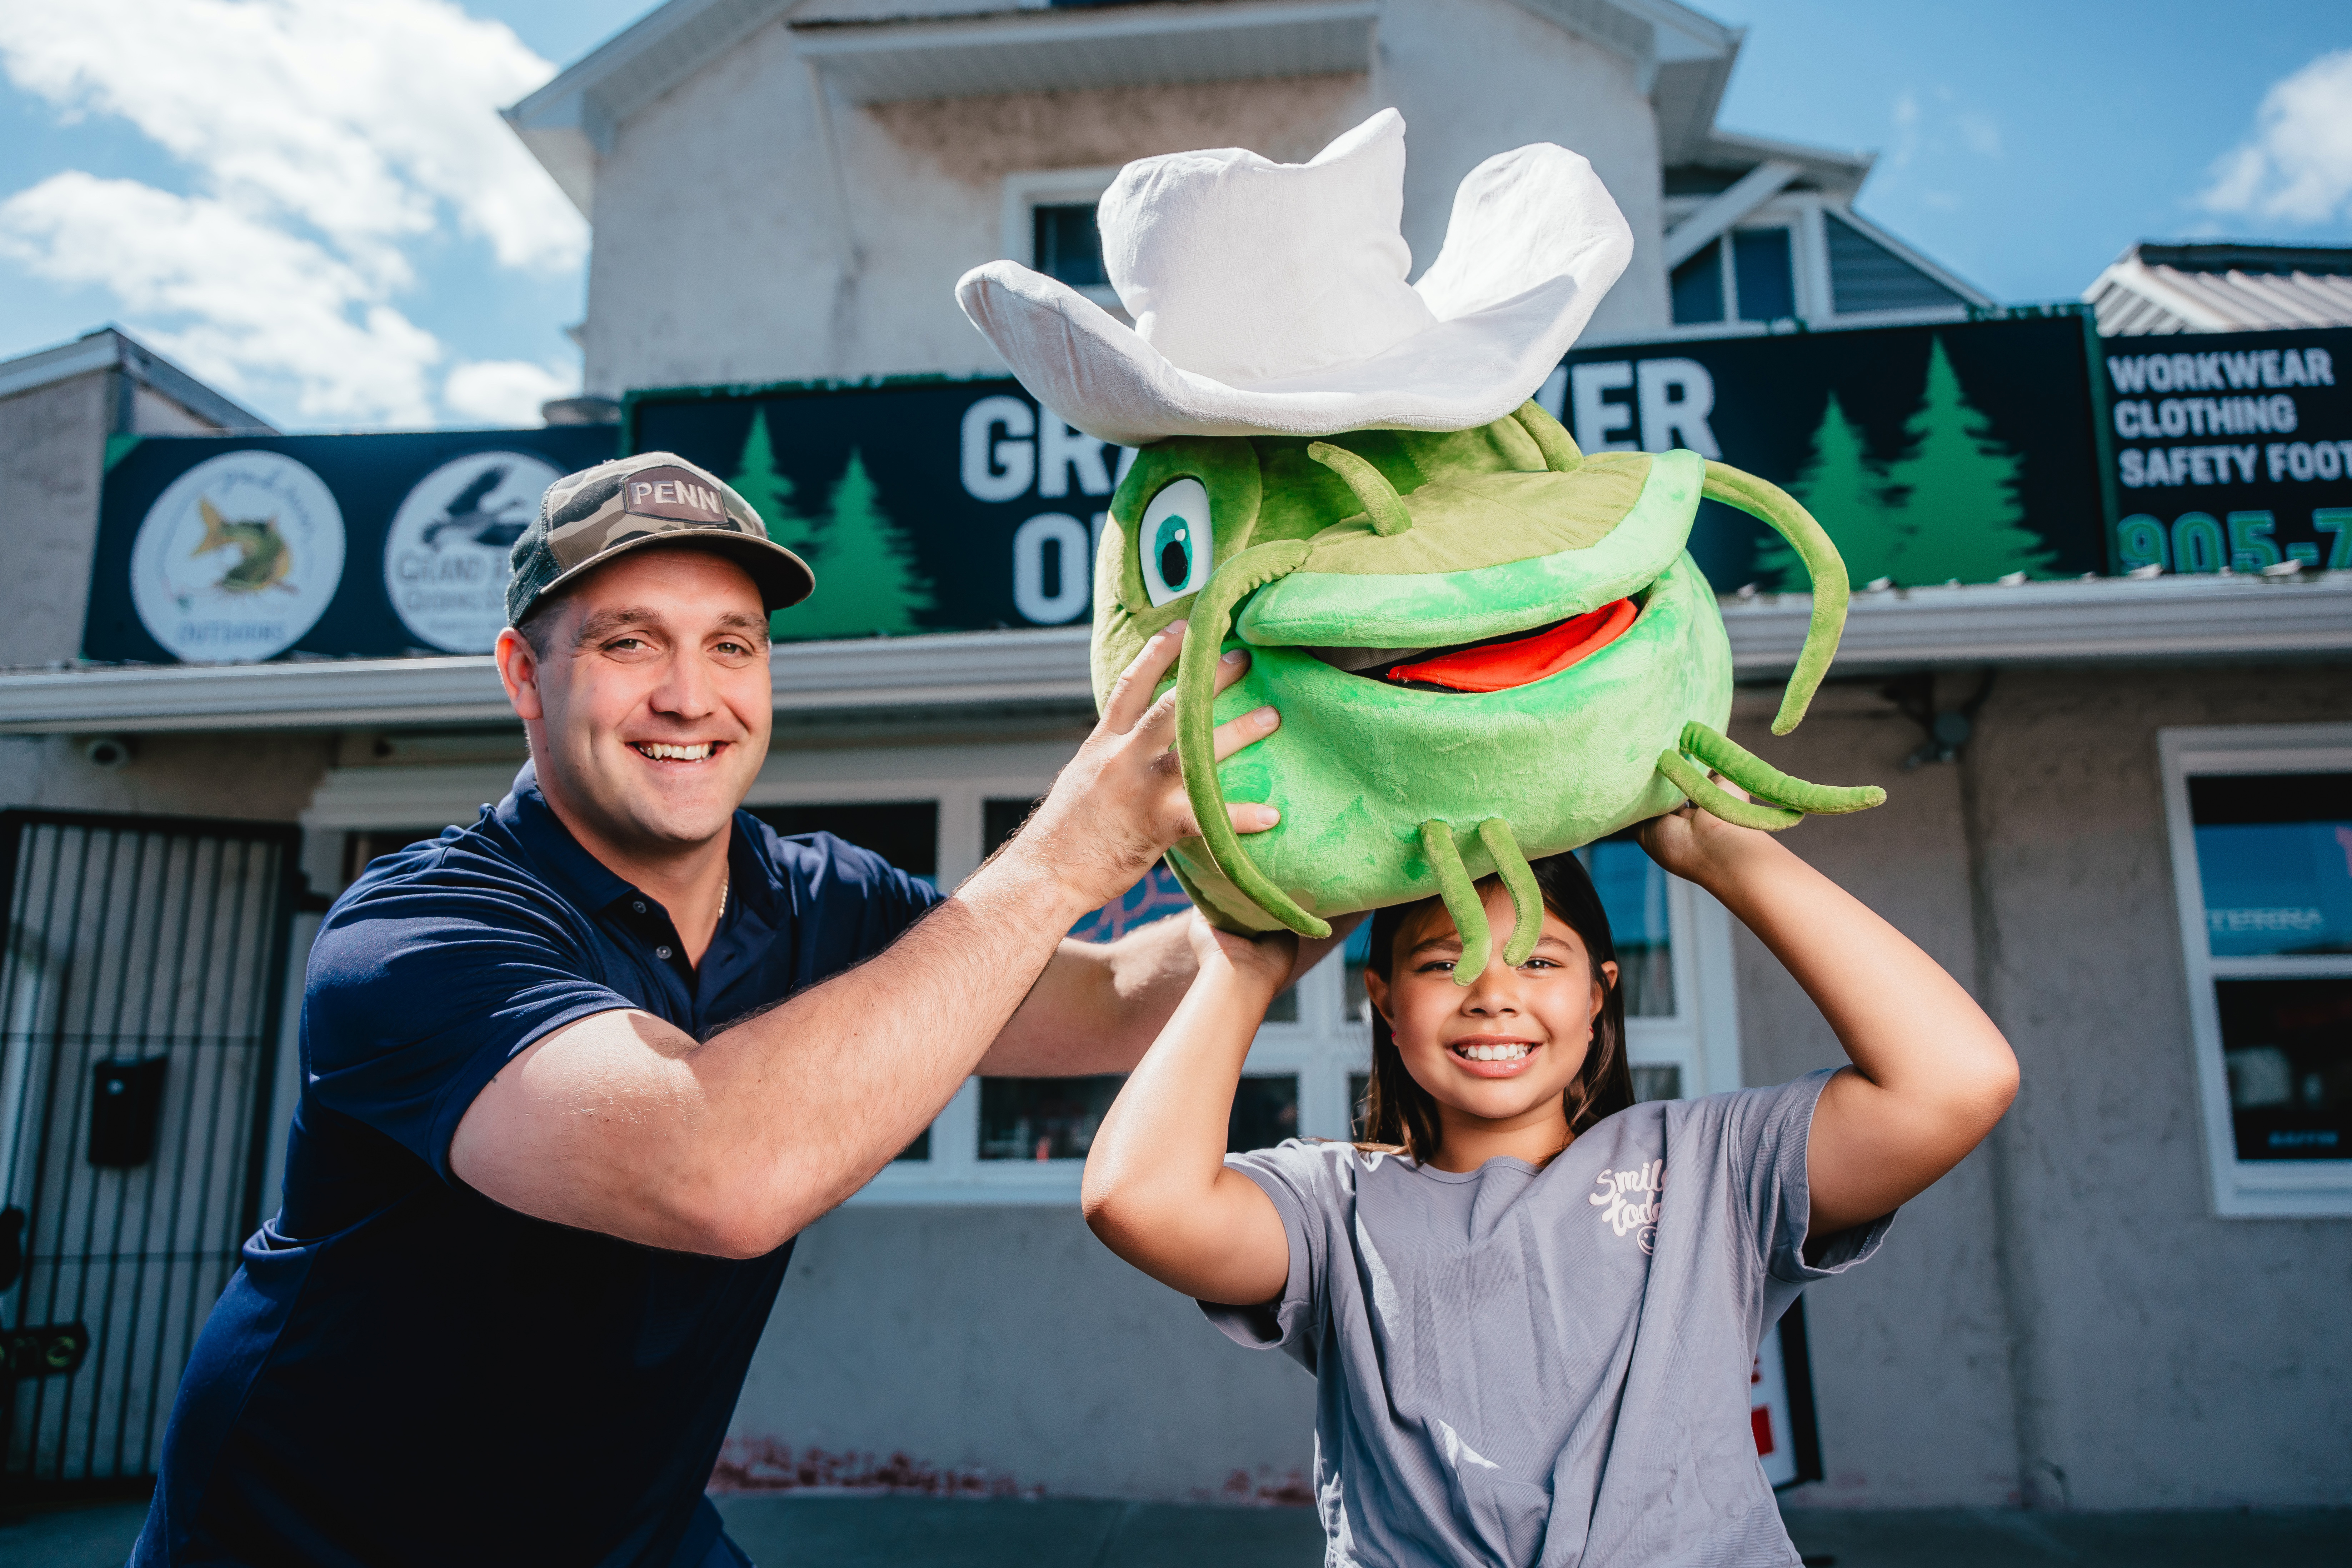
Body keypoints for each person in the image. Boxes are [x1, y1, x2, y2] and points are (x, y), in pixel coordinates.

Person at [133, 452, 1338, 1568]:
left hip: (627, 1531)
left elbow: (1107, 1001)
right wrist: (1067, 854)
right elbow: (716, 1174)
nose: (688, 695)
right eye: (628, 644)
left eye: (732, 645)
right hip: (311, 1540)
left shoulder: (822, 897)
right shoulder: (417, 935)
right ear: (522, 675)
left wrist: (1338, 866)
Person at [1081, 795, 2019, 1568]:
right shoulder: (1332, 1208)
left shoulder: (1707, 1167)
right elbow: (1137, 1200)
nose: (1493, 993)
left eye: (1538, 960)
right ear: (1385, 1007)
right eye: (1444, 964)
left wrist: (1724, 853)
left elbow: (1954, 1083)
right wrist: (1245, 967)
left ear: (1598, 994)